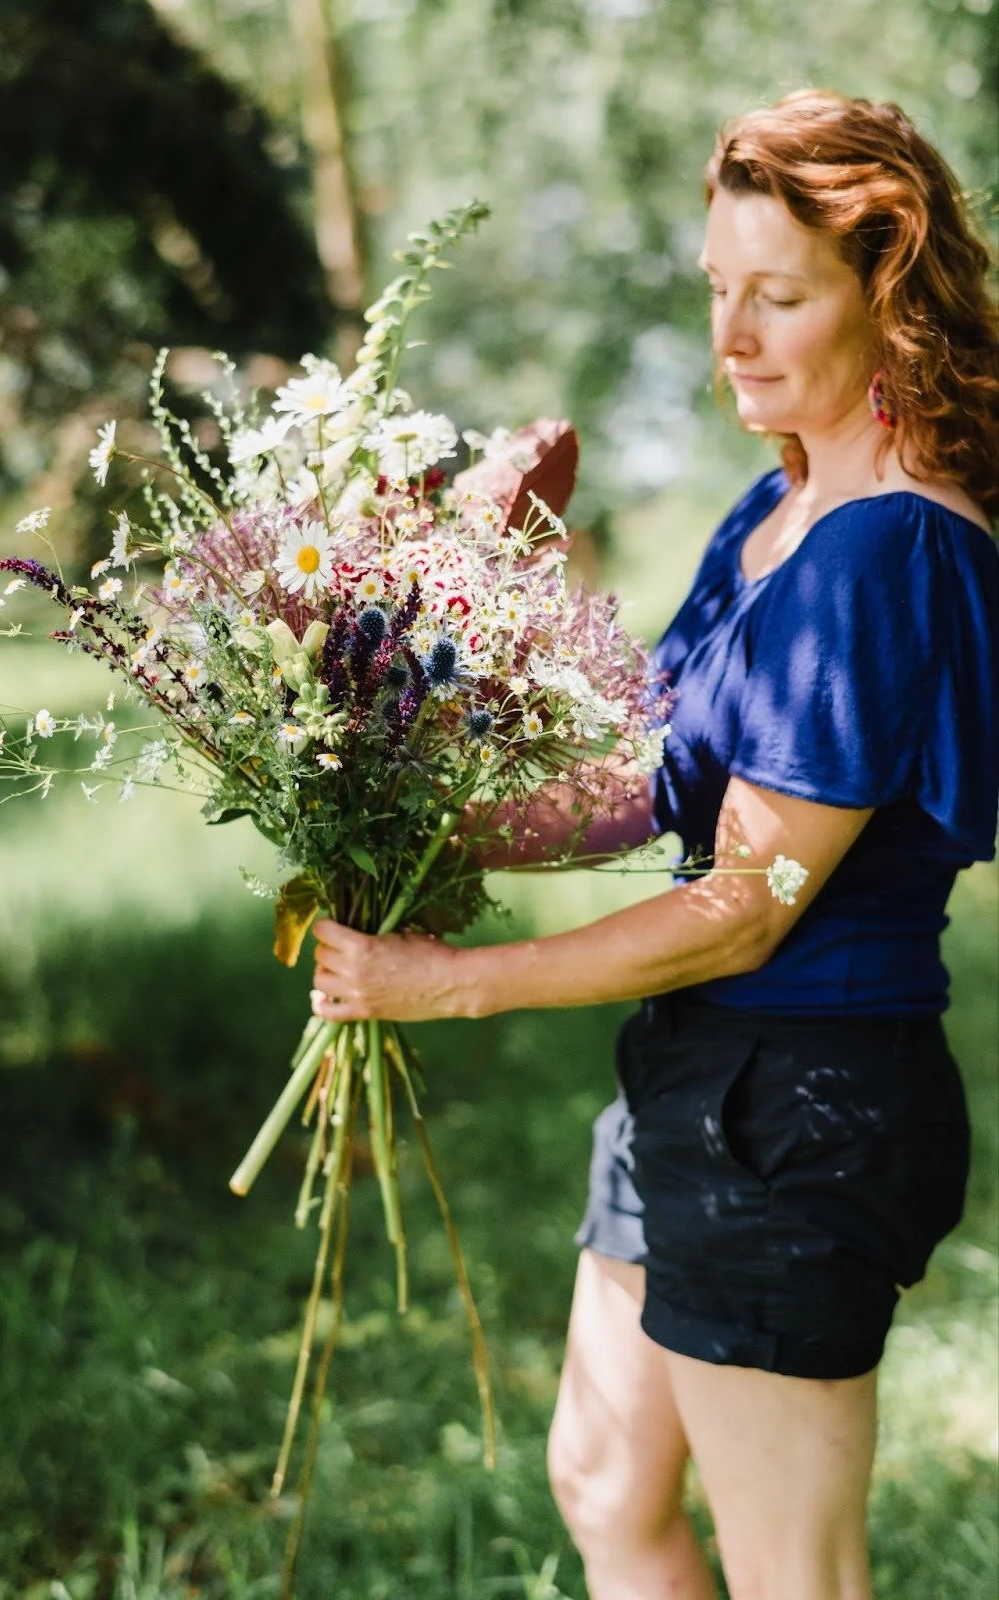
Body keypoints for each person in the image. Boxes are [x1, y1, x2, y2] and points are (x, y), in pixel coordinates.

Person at [310, 90, 999, 1600]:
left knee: (792, 1575)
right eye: (716, 290)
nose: (733, 335)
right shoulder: (776, 511)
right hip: (696, 1079)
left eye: (781, 294)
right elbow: (651, 778)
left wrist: (454, 982)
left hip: (807, 1102)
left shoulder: (884, 548)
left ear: (887, 294)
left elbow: (743, 904)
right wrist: (400, 806)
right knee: (607, 1483)